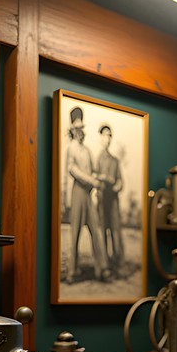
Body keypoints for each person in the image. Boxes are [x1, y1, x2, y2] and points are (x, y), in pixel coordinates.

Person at [64, 106, 110, 283]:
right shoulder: (72, 148)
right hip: (77, 193)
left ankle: (102, 268)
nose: (80, 131)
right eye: (77, 128)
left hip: (88, 195)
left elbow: (92, 171)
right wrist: (92, 181)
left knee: (96, 230)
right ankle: (72, 270)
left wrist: (99, 178)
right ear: (73, 130)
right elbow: (72, 169)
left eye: (82, 128)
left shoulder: (87, 150)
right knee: (74, 232)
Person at [95, 123, 125, 273]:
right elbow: (93, 176)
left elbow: (120, 181)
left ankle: (117, 262)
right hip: (101, 198)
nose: (106, 138)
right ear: (100, 138)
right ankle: (104, 263)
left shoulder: (115, 160)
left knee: (115, 229)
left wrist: (116, 186)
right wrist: (104, 178)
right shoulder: (98, 158)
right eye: (104, 135)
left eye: (109, 135)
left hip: (112, 199)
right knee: (102, 230)